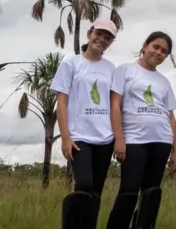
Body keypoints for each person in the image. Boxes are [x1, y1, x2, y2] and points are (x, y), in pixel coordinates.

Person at [105, 32, 176, 229]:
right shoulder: (125, 71)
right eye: (156, 47)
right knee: (129, 191)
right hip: (134, 139)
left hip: (162, 140)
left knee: (151, 193)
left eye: (164, 51)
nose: (159, 53)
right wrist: (118, 138)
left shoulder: (164, 81)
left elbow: (170, 116)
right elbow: (115, 105)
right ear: (145, 46)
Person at [52, 18, 119, 229]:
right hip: (79, 136)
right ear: (90, 33)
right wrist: (65, 137)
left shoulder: (111, 68)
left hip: (105, 137)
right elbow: (61, 102)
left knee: (96, 191)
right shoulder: (71, 64)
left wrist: (118, 137)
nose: (102, 40)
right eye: (99, 34)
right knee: (84, 184)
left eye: (108, 38)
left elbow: (114, 104)